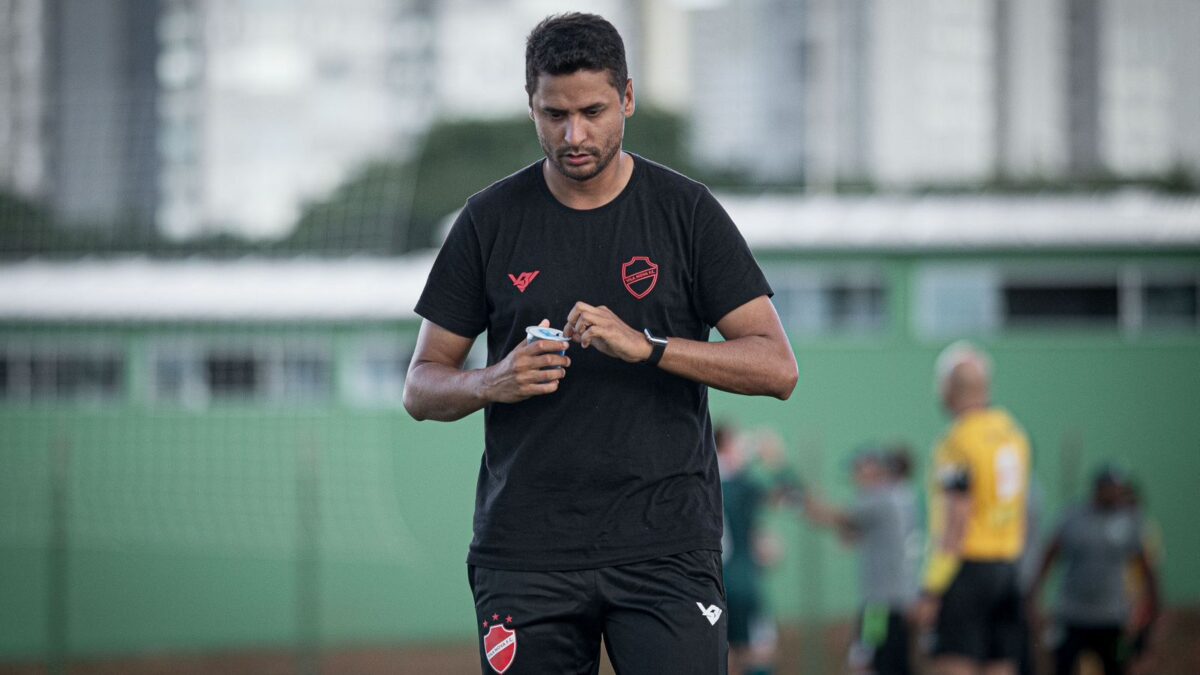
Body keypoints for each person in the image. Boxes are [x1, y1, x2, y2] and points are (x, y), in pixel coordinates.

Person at [402, 13, 798, 674]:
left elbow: (777, 366)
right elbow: (420, 384)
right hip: (525, 553)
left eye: (592, 110)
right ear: (531, 105)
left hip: (665, 547)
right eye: (553, 113)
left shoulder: (687, 212)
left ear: (629, 99)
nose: (574, 134)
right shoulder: (488, 221)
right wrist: (488, 380)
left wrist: (649, 346)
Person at [914, 342, 1031, 675]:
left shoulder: (956, 441)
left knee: (953, 663)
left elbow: (957, 519)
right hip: (1008, 569)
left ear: (948, 388)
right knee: (1000, 664)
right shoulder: (1013, 434)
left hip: (967, 571)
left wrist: (931, 588)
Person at [1027, 466, 1161, 675]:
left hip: (1113, 616)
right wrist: (1035, 596)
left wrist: (1154, 604)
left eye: (1119, 489)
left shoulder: (1130, 521)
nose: (1116, 493)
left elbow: (1147, 567)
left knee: (1116, 668)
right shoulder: (1073, 517)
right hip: (1072, 614)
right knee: (1063, 667)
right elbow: (1049, 557)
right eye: (1112, 488)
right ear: (1099, 488)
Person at [803, 445, 920, 675]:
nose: (855, 478)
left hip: (879, 605)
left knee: (866, 665)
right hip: (899, 601)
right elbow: (849, 534)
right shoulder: (902, 497)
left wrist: (800, 494)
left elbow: (832, 517)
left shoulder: (880, 498)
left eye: (858, 471)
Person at [716, 426, 801, 675]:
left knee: (722, 656)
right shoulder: (741, 485)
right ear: (728, 449)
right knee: (759, 654)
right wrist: (777, 462)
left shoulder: (704, 481)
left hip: (711, 586)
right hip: (743, 584)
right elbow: (793, 498)